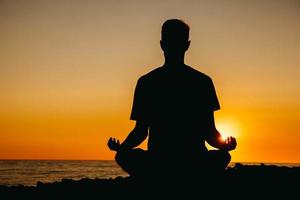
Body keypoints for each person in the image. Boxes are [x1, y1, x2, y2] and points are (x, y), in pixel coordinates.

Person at [107, 19, 237, 179]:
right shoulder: (202, 81)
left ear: (162, 44)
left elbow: (140, 132)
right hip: (193, 161)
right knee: (222, 156)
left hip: (160, 161)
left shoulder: (147, 82)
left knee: (123, 156)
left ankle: (157, 178)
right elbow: (209, 132)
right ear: (187, 45)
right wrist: (225, 146)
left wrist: (122, 148)